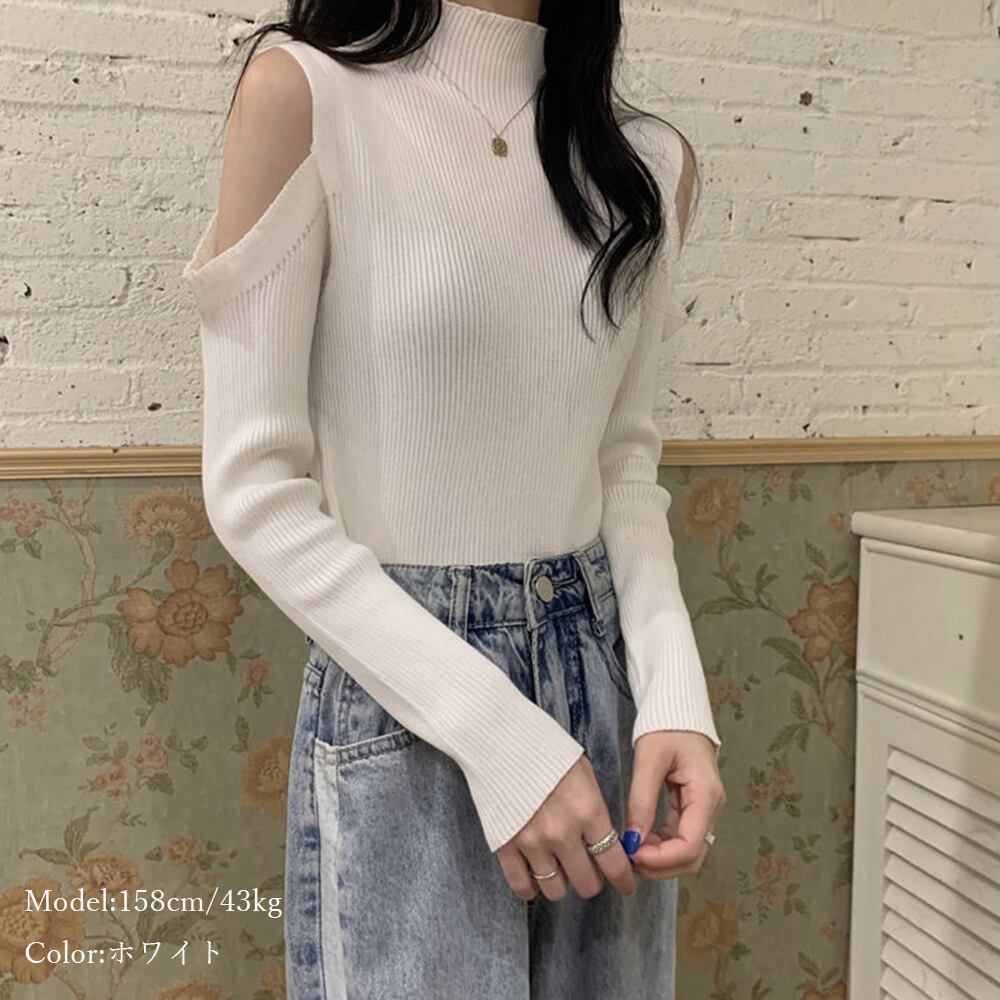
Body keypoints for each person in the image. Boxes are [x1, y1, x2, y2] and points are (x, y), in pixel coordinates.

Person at [182, 1, 726, 997]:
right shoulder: (308, 99)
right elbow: (253, 487)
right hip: (408, 699)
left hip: (602, 695)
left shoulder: (646, 165)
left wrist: (674, 698)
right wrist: (497, 734)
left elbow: (622, 465)